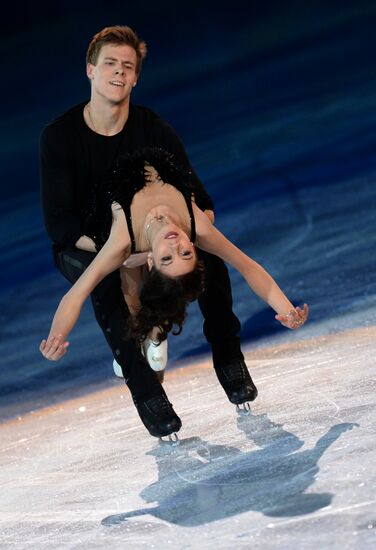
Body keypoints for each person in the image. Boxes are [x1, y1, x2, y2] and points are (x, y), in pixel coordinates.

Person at [38, 25, 290, 439]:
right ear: (90, 70)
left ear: (136, 77)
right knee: (103, 286)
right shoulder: (59, 137)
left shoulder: (152, 128)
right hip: (86, 243)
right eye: (110, 65)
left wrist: (187, 234)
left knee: (207, 256)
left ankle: (226, 357)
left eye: (128, 67)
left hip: (149, 235)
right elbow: (60, 226)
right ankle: (145, 389)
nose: (118, 73)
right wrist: (124, 253)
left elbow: (202, 198)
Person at [40, 148, 309, 432]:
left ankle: (150, 329)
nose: (175, 245)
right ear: (193, 247)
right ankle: (151, 331)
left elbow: (78, 293)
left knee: (121, 274)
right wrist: (287, 310)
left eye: (168, 257)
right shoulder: (197, 227)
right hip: (117, 226)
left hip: (113, 235)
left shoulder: (122, 239)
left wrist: (55, 339)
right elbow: (248, 265)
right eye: (185, 254)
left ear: (154, 260)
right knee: (130, 274)